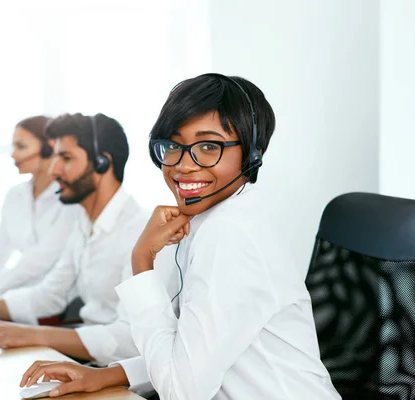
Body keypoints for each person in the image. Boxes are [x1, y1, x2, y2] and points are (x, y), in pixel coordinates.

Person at [19, 74, 341, 400]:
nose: (184, 166)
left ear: (252, 153)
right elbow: (188, 354)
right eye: (174, 146)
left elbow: (181, 390)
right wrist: (107, 375)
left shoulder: (230, 235)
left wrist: (141, 261)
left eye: (208, 146)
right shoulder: (209, 220)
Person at [0, 113, 149, 340]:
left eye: (66, 158)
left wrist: (32, 336)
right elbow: (50, 295)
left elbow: (131, 338)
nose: (54, 170)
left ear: (103, 163)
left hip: (117, 366)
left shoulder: (140, 232)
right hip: (90, 350)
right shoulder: (84, 224)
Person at [0, 116, 79, 300]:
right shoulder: (15, 196)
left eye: (21, 147)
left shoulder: (69, 200)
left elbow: (33, 264)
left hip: (52, 303)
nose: (13, 155)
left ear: (49, 148)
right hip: (17, 297)